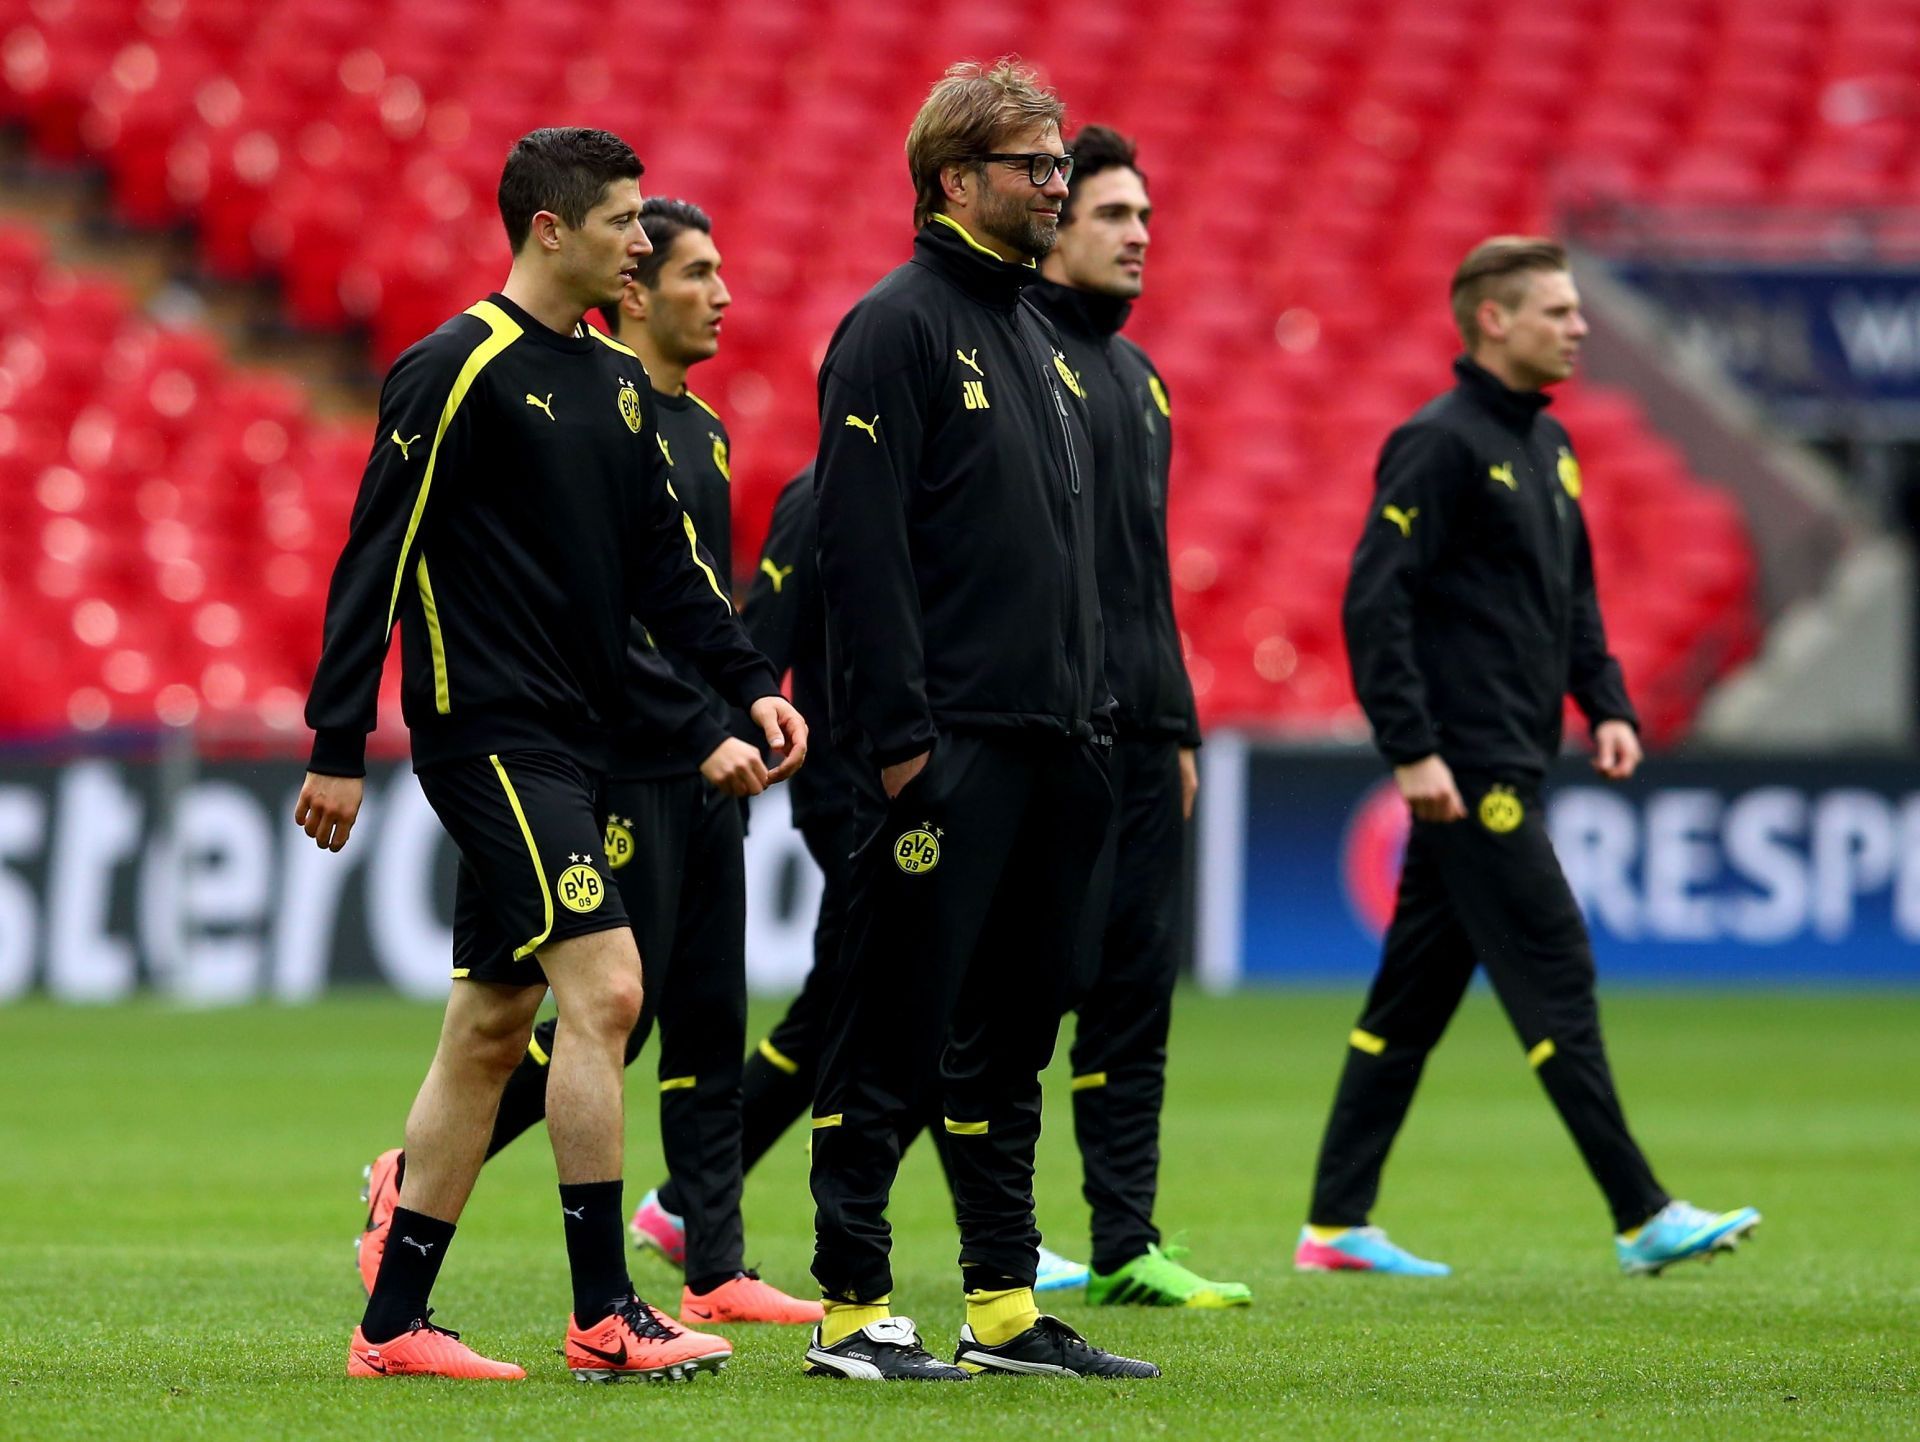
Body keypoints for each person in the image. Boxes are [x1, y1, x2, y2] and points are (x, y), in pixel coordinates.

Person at [300, 127, 805, 1383]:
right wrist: (337, 741)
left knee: (488, 1023)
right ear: (551, 229)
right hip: (491, 735)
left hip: (574, 743)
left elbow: (668, 577)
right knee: (611, 991)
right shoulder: (453, 366)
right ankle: (603, 1312)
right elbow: (378, 551)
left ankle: (392, 1325)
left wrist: (746, 685)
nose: (644, 241)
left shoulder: (617, 385)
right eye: (627, 220)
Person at [1298, 236, 1760, 1279]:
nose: (1581, 324)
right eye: (1557, 309)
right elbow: (1376, 600)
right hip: (1469, 767)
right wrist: (1410, 748)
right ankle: (1641, 1209)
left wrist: (1605, 700)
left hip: (1514, 750)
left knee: (1409, 1000)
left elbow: (1574, 595)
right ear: (1493, 319)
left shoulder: (1548, 448)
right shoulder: (1438, 444)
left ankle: (1333, 1222)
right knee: (1555, 966)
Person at [802, 59, 1156, 1382]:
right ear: (956, 179)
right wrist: (899, 740)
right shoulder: (893, 326)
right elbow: (860, 547)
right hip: (946, 748)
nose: (1058, 183)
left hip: (1061, 743)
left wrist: (1098, 722)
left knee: (1016, 1037)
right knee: (890, 1029)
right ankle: (850, 1308)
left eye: (1061, 162)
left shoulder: (1041, 342)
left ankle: (1002, 1304)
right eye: (1033, 164)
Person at [627, 463, 1092, 1296]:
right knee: (917, 1001)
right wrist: (728, 771)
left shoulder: (931, 490)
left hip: (906, 792)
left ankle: (689, 1200)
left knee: (849, 1013)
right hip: (856, 795)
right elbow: (764, 636)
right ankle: (979, 1234)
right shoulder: (826, 497)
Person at [1028, 125, 1249, 1309]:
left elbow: (1141, 575)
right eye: (1114, 215)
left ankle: (1125, 1239)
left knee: (1132, 991)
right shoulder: (1022, 357)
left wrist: (1182, 727)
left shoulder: (1144, 377)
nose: (1137, 237)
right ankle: (709, 1202)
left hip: (1146, 734)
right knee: (1007, 993)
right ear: (1053, 226)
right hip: (1053, 732)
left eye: (1147, 220)